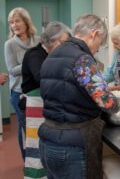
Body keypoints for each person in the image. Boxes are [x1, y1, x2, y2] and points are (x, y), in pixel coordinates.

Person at [38, 14, 120, 179]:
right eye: (100, 43)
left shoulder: (51, 56)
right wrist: (118, 102)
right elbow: (108, 103)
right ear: (94, 34)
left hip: (47, 142)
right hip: (72, 147)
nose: (97, 49)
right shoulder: (82, 60)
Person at [21, 21, 71, 179]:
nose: (65, 47)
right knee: (34, 146)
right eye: (63, 43)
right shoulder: (35, 54)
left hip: (46, 104)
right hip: (33, 105)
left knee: (45, 144)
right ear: (53, 40)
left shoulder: (53, 55)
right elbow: (41, 77)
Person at [4, 7, 39, 160]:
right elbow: (12, 70)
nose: (14, 25)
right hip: (18, 92)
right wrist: (31, 63)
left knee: (37, 127)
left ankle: (39, 159)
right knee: (25, 127)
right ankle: (27, 160)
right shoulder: (10, 44)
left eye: (17, 20)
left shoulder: (38, 40)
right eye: (11, 22)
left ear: (26, 21)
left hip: (37, 90)